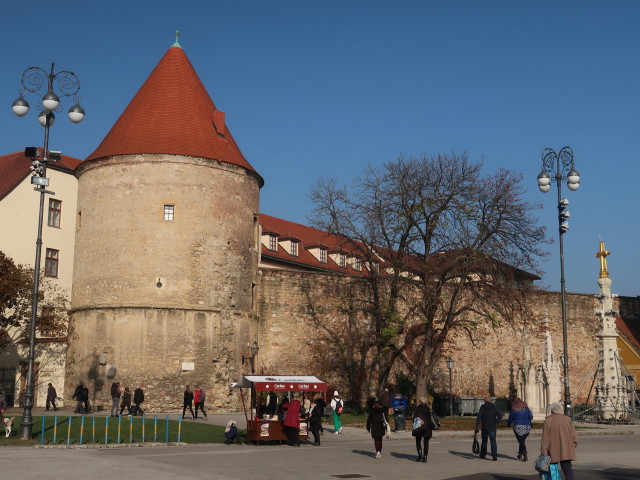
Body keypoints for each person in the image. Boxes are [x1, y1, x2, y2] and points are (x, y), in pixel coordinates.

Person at [541, 403, 579, 480]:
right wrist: (571, 446)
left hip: (552, 451)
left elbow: (545, 438)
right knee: (568, 470)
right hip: (566, 450)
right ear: (561, 410)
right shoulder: (567, 419)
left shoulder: (548, 420)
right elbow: (575, 437)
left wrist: (544, 452)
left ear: (551, 411)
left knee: (552, 471)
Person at [475, 396, 503, 461]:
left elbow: (478, 418)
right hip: (493, 426)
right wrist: (497, 421)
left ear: (484, 401)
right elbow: (500, 415)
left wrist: (477, 426)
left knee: (484, 441)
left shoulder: (482, 408)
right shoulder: (494, 407)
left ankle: (483, 454)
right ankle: (494, 456)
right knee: (493, 441)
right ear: (490, 400)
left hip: (485, 426)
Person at [508, 397, 533, 462]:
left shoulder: (513, 410)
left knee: (521, 441)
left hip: (518, 427)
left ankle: (525, 455)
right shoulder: (526, 409)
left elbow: (510, 418)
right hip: (527, 427)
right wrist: (527, 420)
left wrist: (508, 424)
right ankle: (520, 454)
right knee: (521, 440)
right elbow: (531, 417)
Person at [412, 396, 434, 462]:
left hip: (419, 427)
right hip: (427, 428)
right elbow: (431, 420)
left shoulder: (417, 409)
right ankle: (425, 457)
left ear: (420, 401)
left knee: (418, 441)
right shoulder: (429, 410)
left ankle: (419, 455)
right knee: (426, 443)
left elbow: (414, 419)